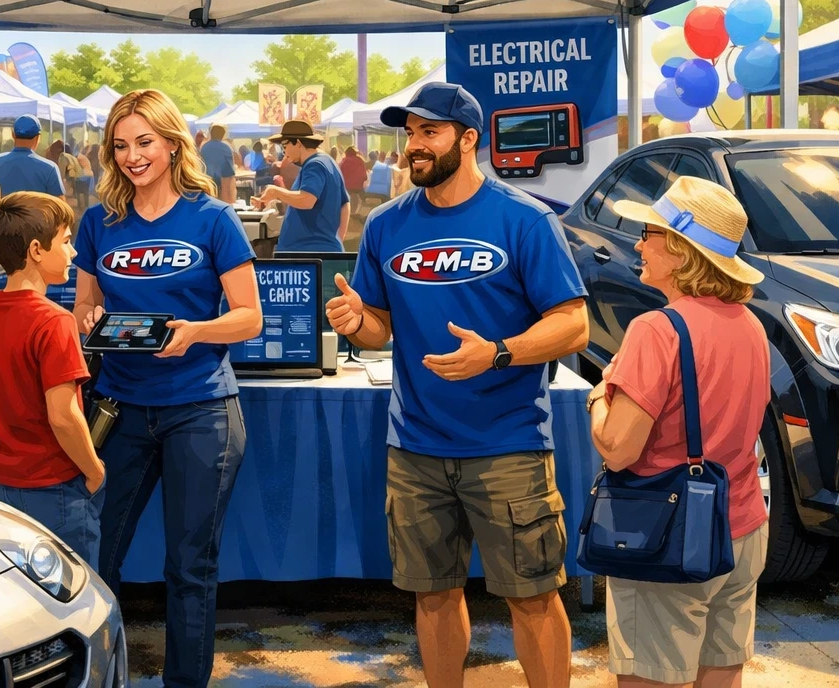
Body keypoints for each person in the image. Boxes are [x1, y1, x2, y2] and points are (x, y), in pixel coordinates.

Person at [326, 82, 588, 688]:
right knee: (433, 597)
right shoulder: (386, 225)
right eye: (410, 133)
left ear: (469, 139)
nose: (414, 146)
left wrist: (498, 354)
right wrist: (354, 321)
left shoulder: (525, 220)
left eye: (430, 133)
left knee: (534, 598)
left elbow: (572, 325)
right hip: (415, 447)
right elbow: (378, 328)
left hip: (509, 445)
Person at [74, 88, 262, 688]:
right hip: (120, 409)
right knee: (94, 557)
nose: (132, 156)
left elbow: (249, 317)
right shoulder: (98, 222)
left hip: (201, 411)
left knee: (190, 567)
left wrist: (198, 331)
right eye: (121, 145)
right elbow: (86, 310)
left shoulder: (213, 218)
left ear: (173, 143)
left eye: (145, 142)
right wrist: (86, 326)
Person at [588, 176, 770, 688]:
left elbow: (618, 449)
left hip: (668, 535)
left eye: (650, 233)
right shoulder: (749, 324)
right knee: (721, 674)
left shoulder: (656, 329)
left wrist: (598, 397)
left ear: (684, 250)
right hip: (742, 525)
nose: (639, 244)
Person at [0, 191, 105, 565]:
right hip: (55, 488)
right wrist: (93, 470)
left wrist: (4, 456)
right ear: (38, 250)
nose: (73, 253)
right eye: (67, 242)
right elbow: (63, 415)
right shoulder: (55, 321)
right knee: (75, 596)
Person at [253, 119, 349, 252]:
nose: (285, 153)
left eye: (284, 146)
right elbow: (345, 205)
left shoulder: (314, 165)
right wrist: (336, 241)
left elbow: (307, 200)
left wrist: (276, 192)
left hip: (308, 254)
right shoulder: (328, 161)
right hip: (321, 251)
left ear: (297, 143)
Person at [0, 114, 64, 197]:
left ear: (13, 135)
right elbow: (61, 206)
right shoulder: (50, 168)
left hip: (1, 209)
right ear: (38, 137)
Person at [199, 123, 238, 204]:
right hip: (222, 182)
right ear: (223, 134)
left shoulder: (204, 147)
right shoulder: (226, 148)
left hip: (206, 182)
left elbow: (201, 166)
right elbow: (229, 170)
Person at [340, 144, 369, 214]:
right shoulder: (360, 161)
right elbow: (364, 176)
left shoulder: (344, 161)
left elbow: (339, 174)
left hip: (347, 188)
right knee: (363, 199)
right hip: (358, 188)